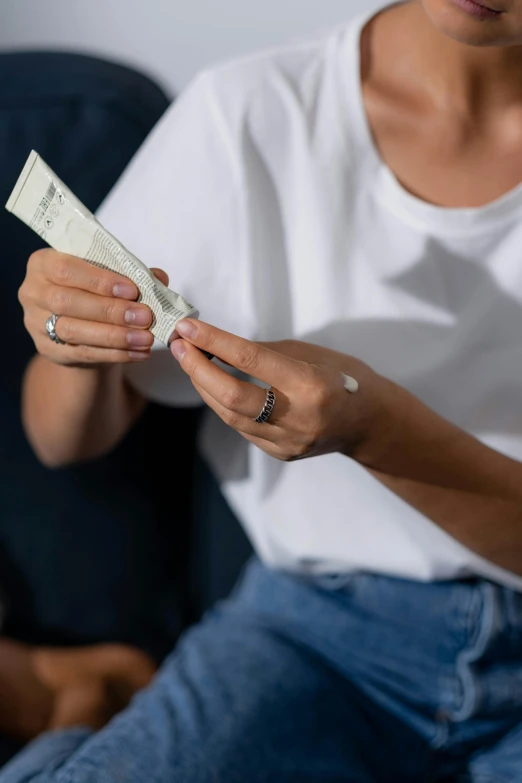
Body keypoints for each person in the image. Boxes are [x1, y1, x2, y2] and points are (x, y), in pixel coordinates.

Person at [5, 0, 522, 779]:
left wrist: (377, 429)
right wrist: (73, 345)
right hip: (313, 636)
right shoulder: (251, 113)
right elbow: (60, 439)